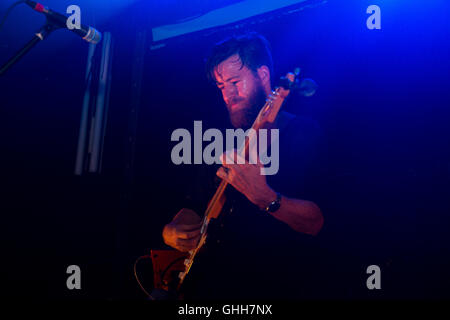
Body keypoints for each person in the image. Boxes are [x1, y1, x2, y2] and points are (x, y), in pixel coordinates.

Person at [162, 32, 326, 299]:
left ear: (263, 75)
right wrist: (173, 230)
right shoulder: (218, 142)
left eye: (235, 82)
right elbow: (193, 207)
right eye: (221, 86)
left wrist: (266, 198)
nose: (227, 94)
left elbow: (317, 222)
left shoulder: (302, 133)